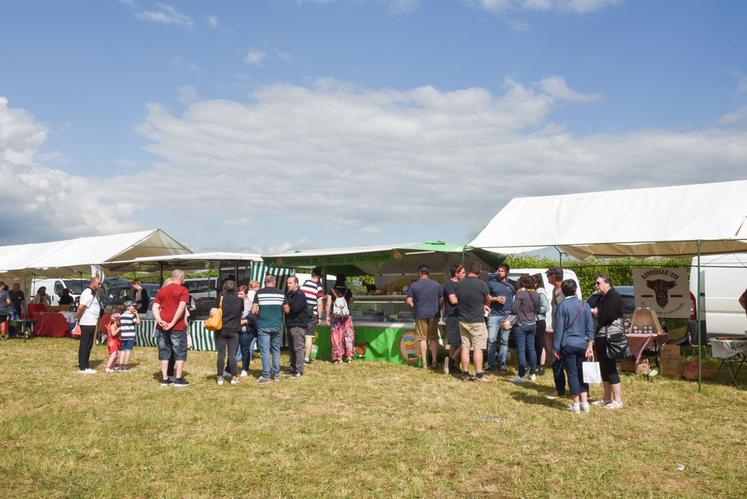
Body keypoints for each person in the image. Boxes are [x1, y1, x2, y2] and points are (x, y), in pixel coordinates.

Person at [552, 279, 595, 414]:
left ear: (563, 292)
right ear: (575, 290)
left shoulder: (562, 306)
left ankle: (576, 404)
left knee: (572, 373)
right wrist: (590, 346)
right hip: (582, 344)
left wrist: (555, 347)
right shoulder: (585, 305)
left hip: (567, 344)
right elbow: (590, 328)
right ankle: (585, 403)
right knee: (582, 373)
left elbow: (559, 329)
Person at [590, 274, 625, 410]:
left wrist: (594, 312)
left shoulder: (614, 297)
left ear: (607, 283)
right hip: (601, 335)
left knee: (610, 367)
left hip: (610, 336)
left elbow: (606, 316)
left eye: (598, 283)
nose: (596, 286)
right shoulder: (603, 297)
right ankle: (606, 398)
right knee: (603, 367)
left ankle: (618, 400)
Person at [152, 270, 190, 387]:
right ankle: (178, 378)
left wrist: (159, 320)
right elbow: (181, 308)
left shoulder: (162, 290)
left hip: (162, 324)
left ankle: (164, 378)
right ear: (181, 277)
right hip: (177, 326)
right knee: (179, 351)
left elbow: (155, 307)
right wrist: (173, 322)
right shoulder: (183, 290)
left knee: (164, 350)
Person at [455, 261, 491, 382]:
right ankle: (479, 375)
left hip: (462, 319)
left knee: (465, 346)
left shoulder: (459, 284)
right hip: (477, 320)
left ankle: (465, 373)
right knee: (478, 348)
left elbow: (459, 299)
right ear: (479, 272)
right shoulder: (481, 284)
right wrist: (484, 305)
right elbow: (487, 299)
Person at [252, 274, 287, 383]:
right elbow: (287, 309)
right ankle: (276, 374)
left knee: (265, 351)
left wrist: (259, 311)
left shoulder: (259, 293)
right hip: (276, 324)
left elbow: (253, 310)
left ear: (265, 282)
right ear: (275, 282)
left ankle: (266, 376)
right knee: (276, 349)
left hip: (263, 325)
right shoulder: (281, 293)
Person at [406, 265, 443, 369]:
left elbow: (409, 301)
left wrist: (415, 308)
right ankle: (435, 361)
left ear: (419, 273)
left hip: (420, 314)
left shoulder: (414, 285)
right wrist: (438, 307)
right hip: (434, 314)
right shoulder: (437, 285)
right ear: (428, 273)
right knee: (433, 338)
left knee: (422, 339)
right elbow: (442, 299)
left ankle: (424, 363)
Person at [508, 274, 540, 383]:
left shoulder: (520, 293)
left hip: (521, 325)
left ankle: (521, 376)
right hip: (532, 324)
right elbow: (538, 309)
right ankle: (533, 373)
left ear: (521, 283)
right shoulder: (536, 294)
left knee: (521, 350)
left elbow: (514, 309)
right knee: (531, 349)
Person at [486, 264, 516, 371]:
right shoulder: (491, 283)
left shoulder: (513, 284)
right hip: (494, 315)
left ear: (507, 272)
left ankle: (502, 364)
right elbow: (486, 300)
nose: (499, 272)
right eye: (498, 270)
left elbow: (518, 298)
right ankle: (490, 364)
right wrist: (495, 298)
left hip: (507, 316)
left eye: (502, 271)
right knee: (491, 339)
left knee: (504, 340)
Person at [544, 267, 568, 399]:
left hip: (565, 333)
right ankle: (560, 389)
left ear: (554, 276)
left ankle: (578, 390)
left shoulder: (565, 290)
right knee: (556, 361)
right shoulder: (555, 290)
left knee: (564, 361)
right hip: (557, 331)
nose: (547, 278)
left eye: (548, 275)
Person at [214, 280, 243, 385]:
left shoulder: (221, 298)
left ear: (224, 287)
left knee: (221, 354)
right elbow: (241, 312)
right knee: (232, 355)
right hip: (235, 329)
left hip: (222, 328)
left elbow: (215, 311)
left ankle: (220, 377)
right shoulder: (240, 300)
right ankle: (234, 377)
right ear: (235, 287)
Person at [325, 274, 355, 364]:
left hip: (335, 316)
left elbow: (328, 304)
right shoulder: (348, 290)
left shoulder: (331, 291)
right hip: (347, 316)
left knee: (336, 336)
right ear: (344, 281)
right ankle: (349, 356)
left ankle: (338, 358)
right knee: (349, 336)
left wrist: (327, 316)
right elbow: (351, 301)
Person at [76, 277, 102, 374]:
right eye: (98, 284)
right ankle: (83, 367)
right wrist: (77, 318)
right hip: (87, 322)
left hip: (91, 322)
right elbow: (81, 307)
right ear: (93, 283)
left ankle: (86, 365)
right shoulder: (88, 293)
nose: (100, 286)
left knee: (89, 344)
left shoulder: (92, 293)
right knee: (85, 344)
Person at [442, 264, 465, 371]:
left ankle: (453, 364)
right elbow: (453, 300)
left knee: (461, 342)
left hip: (461, 315)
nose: (465, 275)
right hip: (452, 316)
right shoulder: (449, 284)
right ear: (456, 273)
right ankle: (452, 365)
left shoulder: (462, 284)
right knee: (455, 343)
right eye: (463, 273)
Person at [285, 276, 309, 378]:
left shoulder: (300, 295)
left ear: (296, 283)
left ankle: (299, 370)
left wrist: (286, 304)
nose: (288, 284)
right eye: (287, 283)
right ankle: (293, 367)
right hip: (290, 324)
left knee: (298, 348)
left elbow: (294, 309)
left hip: (298, 325)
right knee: (291, 348)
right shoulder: (289, 294)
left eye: (290, 283)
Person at [300, 268, 325, 364]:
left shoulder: (303, 285)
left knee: (301, 336)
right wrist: (319, 317)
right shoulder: (318, 288)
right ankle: (306, 358)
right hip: (312, 315)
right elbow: (319, 303)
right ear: (319, 277)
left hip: (302, 314)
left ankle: (299, 356)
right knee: (309, 337)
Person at [532, 274, 550, 375]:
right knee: (534, 344)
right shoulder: (535, 292)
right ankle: (535, 365)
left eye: (533, 281)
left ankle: (542, 366)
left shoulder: (541, 292)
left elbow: (546, 307)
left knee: (541, 344)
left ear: (537, 282)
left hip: (540, 320)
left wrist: (536, 309)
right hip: (534, 320)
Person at [118, 300, 140, 371]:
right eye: (133, 306)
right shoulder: (131, 316)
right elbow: (138, 322)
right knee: (128, 350)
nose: (134, 307)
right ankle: (125, 366)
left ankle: (120, 365)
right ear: (128, 307)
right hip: (130, 336)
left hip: (123, 336)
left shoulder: (121, 316)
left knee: (122, 350)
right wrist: (137, 315)